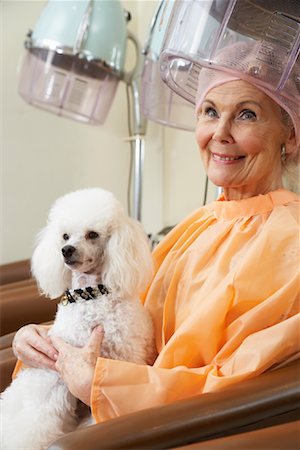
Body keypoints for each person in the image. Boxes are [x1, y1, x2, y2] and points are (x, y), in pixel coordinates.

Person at [12, 41, 300, 423]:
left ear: (291, 135)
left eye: (246, 114)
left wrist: (100, 383)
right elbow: (126, 323)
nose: (220, 133)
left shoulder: (290, 241)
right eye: (210, 112)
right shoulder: (199, 224)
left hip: (161, 431)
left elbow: (237, 391)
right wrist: (41, 341)